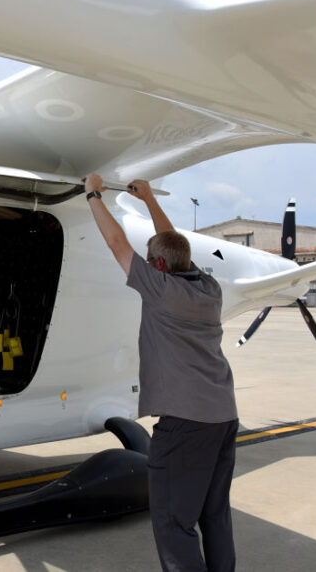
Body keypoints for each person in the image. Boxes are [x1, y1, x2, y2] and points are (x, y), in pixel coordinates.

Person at [84, 173, 238, 572]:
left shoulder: (161, 290)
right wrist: (149, 199)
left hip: (185, 424)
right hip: (223, 417)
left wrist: (93, 194)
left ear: (156, 266)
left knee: (172, 521)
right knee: (214, 515)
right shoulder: (208, 287)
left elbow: (117, 243)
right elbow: (173, 246)